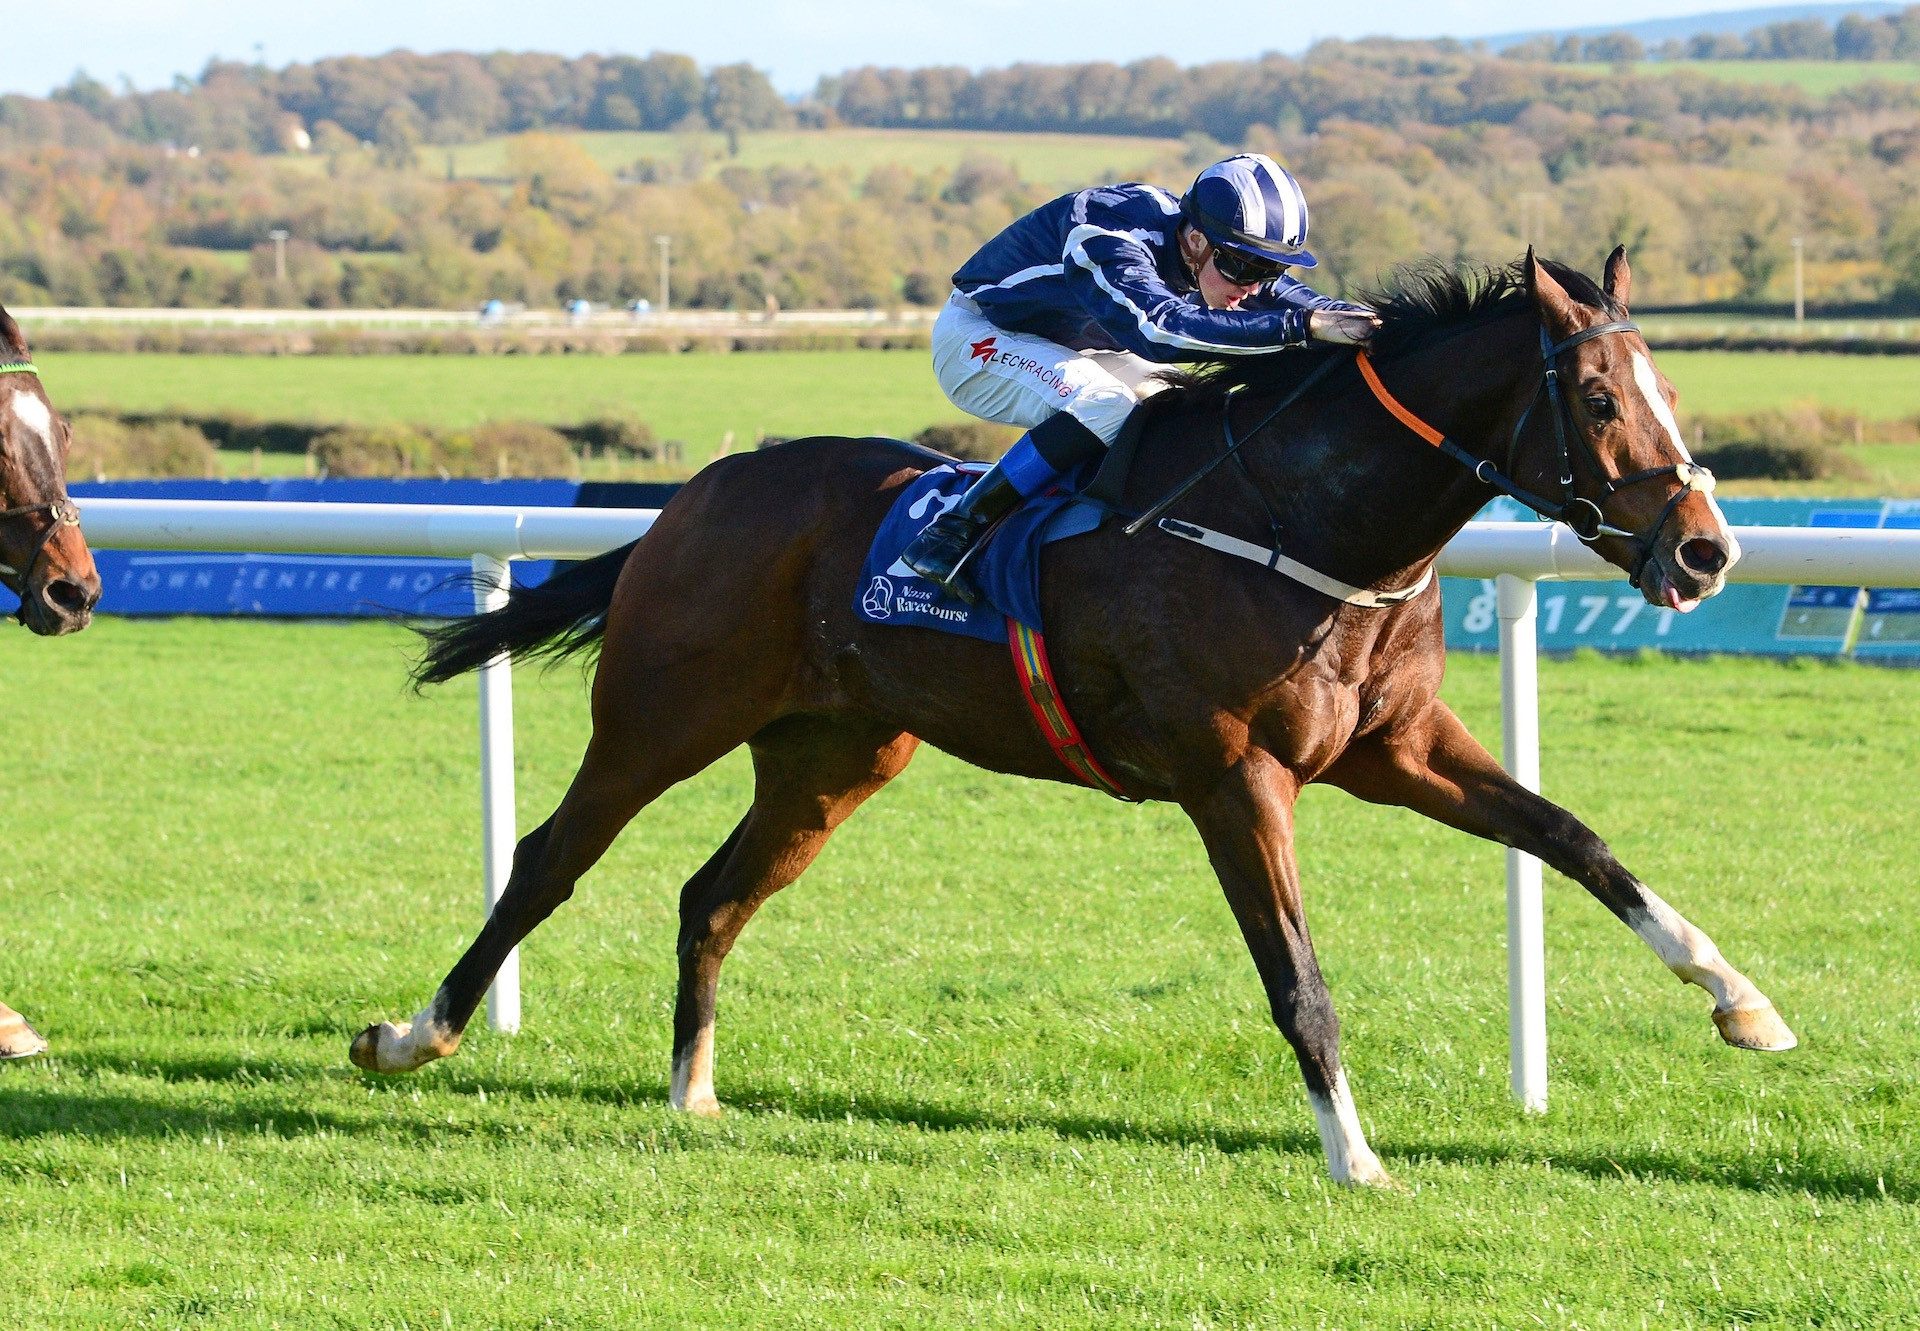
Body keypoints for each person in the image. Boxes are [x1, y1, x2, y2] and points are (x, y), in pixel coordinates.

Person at [902, 153, 1382, 598]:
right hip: (979, 338)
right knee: (1107, 404)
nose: (1253, 287)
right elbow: (1159, 330)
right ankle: (954, 530)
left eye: (1270, 270)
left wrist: (1368, 325)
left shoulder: (1208, 246)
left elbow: (1299, 303)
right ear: (1195, 239)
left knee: (1177, 401)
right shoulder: (1109, 232)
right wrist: (1304, 328)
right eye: (1243, 267)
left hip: (1074, 346)